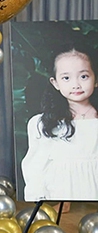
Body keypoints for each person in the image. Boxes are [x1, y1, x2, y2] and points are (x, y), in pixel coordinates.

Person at [22, 48, 98, 202]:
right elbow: (35, 168)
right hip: (59, 199)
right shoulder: (42, 124)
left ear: (95, 79)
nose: (76, 85)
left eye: (83, 76)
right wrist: (39, 202)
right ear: (55, 83)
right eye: (66, 78)